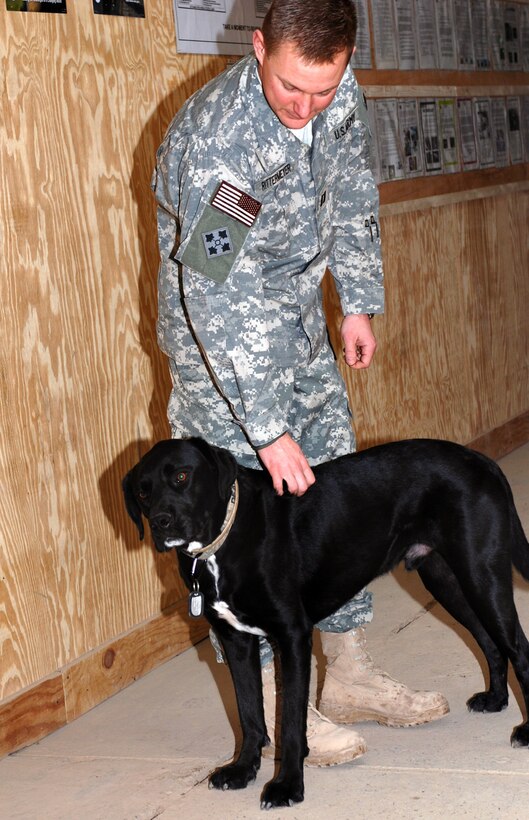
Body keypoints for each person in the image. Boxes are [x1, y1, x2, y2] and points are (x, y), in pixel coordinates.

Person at [152, 0, 449, 766]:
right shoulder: (226, 144)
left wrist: (356, 300)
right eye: (291, 88)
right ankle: (280, 714)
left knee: (332, 502)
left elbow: (351, 193)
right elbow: (214, 291)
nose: (306, 106)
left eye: (323, 88)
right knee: (242, 535)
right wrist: (264, 427)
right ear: (259, 48)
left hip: (296, 327)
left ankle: (346, 672)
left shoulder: (334, 93)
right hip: (222, 357)